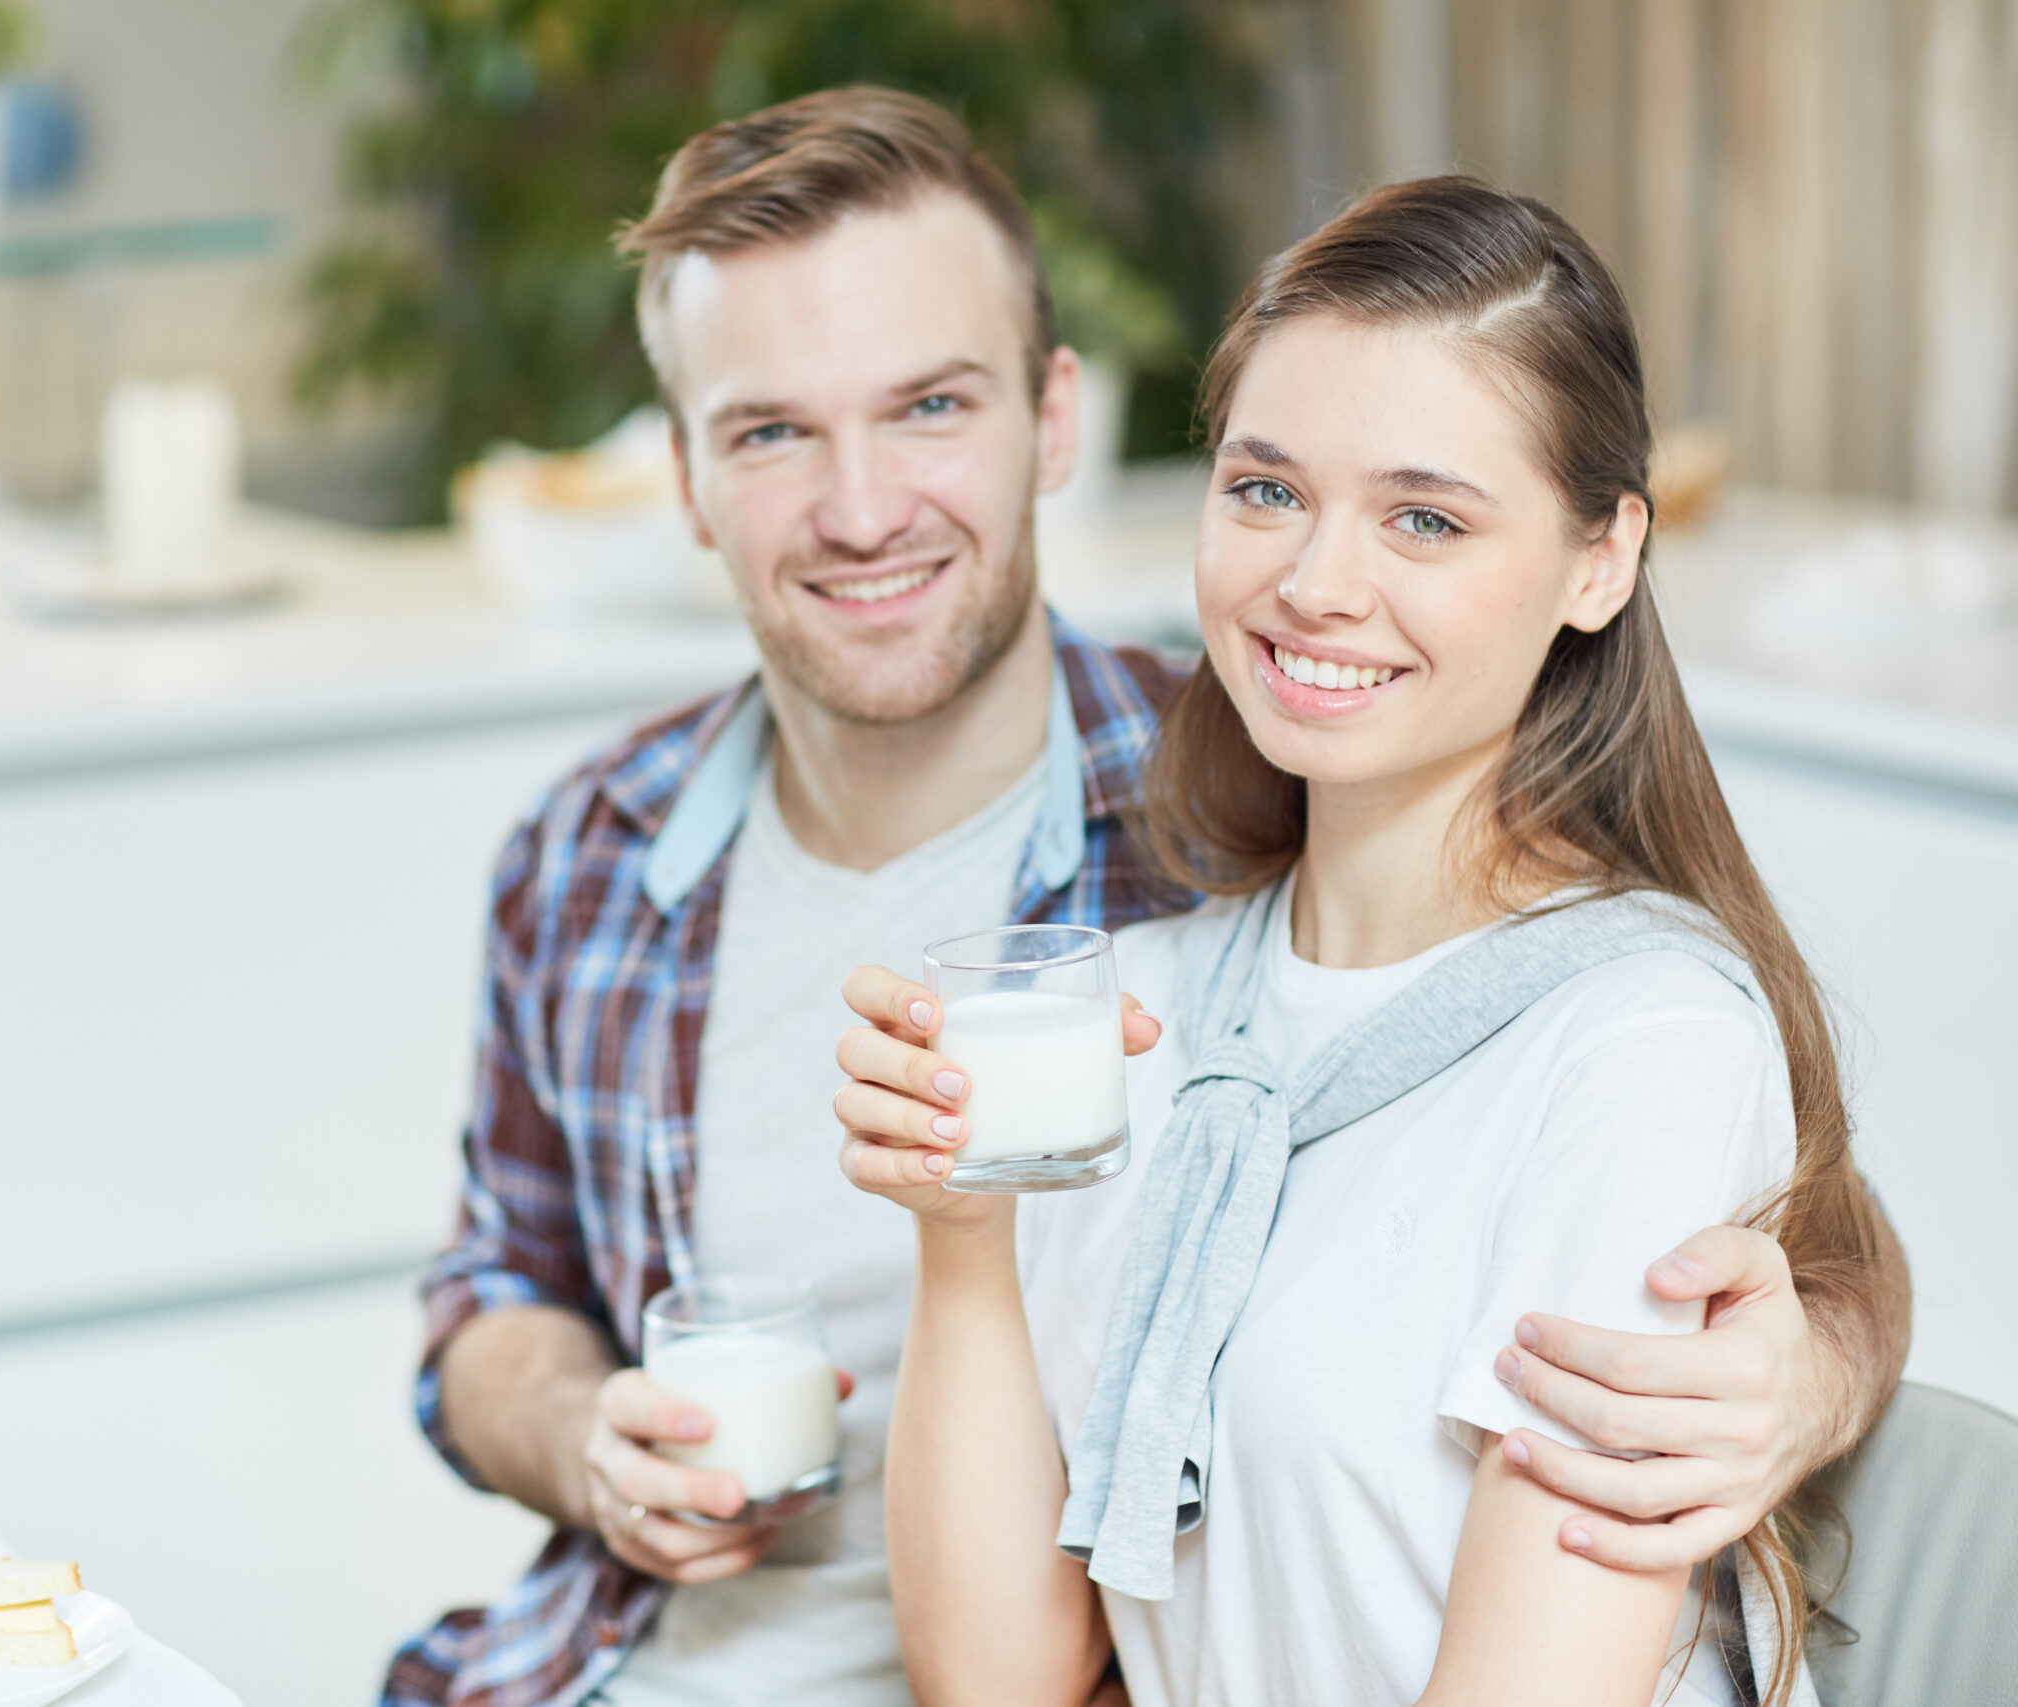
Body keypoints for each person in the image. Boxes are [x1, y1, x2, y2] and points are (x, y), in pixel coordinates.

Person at [389, 90, 1908, 1707]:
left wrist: (1825, 1348)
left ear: (1055, 421)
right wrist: (917, 1258)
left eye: (926, 407)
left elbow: (1712, 1133)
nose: (857, 506)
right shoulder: (649, 865)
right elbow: (498, 1285)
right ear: (681, 477)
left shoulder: (1238, 800)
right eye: (770, 431)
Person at [832, 177, 1891, 1706]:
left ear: (1601, 561)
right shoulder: (1124, 1019)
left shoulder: (1638, 1047)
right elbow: (997, 1683)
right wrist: (960, 1229)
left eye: (1424, 517)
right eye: (1265, 490)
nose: (1317, 585)